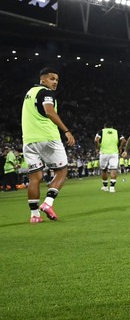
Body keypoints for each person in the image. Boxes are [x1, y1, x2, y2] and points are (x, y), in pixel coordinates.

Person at [21, 67, 76, 222]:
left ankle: (34, 216)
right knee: (62, 170)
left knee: (35, 177)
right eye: (52, 79)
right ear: (42, 79)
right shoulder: (46, 93)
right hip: (47, 137)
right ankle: (48, 203)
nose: (55, 82)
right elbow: (49, 111)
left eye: (57, 80)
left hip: (29, 140)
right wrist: (66, 131)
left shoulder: (29, 93)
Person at [94, 123, 125, 193]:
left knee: (104, 170)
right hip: (114, 153)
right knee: (113, 169)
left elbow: (96, 140)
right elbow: (123, 140)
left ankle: (105, 187)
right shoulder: (116, 132)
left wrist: (97, 148)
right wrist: (120, 148)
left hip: (104, 153)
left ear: (104, 127)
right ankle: (112, 187)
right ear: (112, 127)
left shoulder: (101, 131)